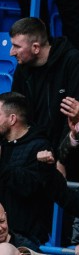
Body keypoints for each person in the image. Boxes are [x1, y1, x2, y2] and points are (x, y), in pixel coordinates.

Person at [7, 20, 79, 145]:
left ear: (36, 47)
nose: (11, 52)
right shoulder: (22, 68)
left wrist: (60, 158)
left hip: (68, 149)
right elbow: (17, 114)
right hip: (34, 149)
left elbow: (78, 116)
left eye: (17, 46)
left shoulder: (74, 63)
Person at [0, 95, 60, 247]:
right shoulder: (2, 144)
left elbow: (29, 187)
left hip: (27, 236)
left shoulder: (40, 147)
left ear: (12, 119)